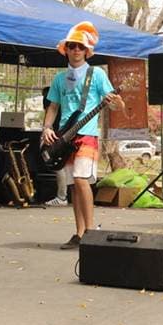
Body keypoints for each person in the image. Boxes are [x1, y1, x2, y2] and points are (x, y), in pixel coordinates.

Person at [42, 21, 125, 249]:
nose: (76, 50)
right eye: (72, 46)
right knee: (73, 186)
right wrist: (47, 128)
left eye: (80, 47)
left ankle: (90, 231)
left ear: (87, 51)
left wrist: (115, 100)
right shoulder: (59, 79)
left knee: (80, 180)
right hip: (64, 137)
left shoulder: (96, 74)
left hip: (87, 134)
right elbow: (53, 107)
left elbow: (117, 105)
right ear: (66, 50)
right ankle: (79, 233)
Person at [41, 86, 68, 207]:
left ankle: (62, 196)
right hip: (65, 130)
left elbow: (48, 112)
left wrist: (45, 130)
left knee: (58, 165)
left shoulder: (49, 98)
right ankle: (64, 195)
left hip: (56, 133)